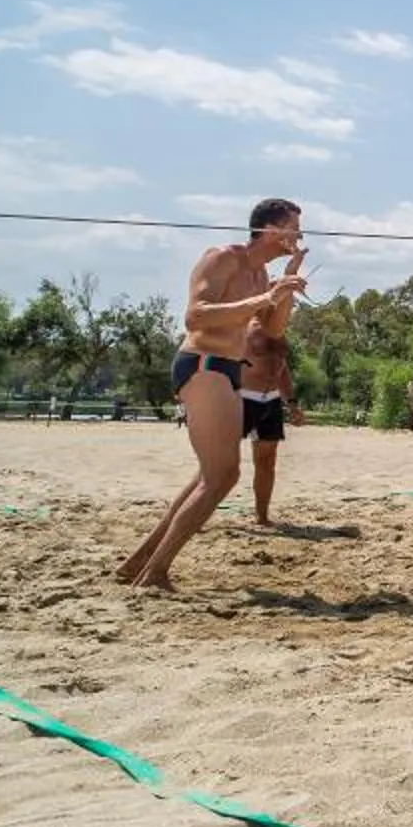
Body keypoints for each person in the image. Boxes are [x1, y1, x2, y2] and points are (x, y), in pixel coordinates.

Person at [116, 200, 308, 590]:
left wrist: (285, 285)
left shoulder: (259, 276)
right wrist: (265, 298)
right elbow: (197, 315)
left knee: (211, 475)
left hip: (227, 369)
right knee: (223, 476)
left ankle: (139, 562)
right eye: (294, 226)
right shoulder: (223, 258)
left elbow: (272, 330)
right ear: (271, 229)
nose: (300, 235)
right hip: (202, 363)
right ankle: (155, 573)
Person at [241, 250, 301, 528]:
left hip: (270, 401)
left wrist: (292, 402)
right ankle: (197, 513)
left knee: (267, 461)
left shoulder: (277, 332)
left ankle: (262, 515)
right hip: (241, 398)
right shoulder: (244, 326)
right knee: (221, 464)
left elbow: (281, 368)